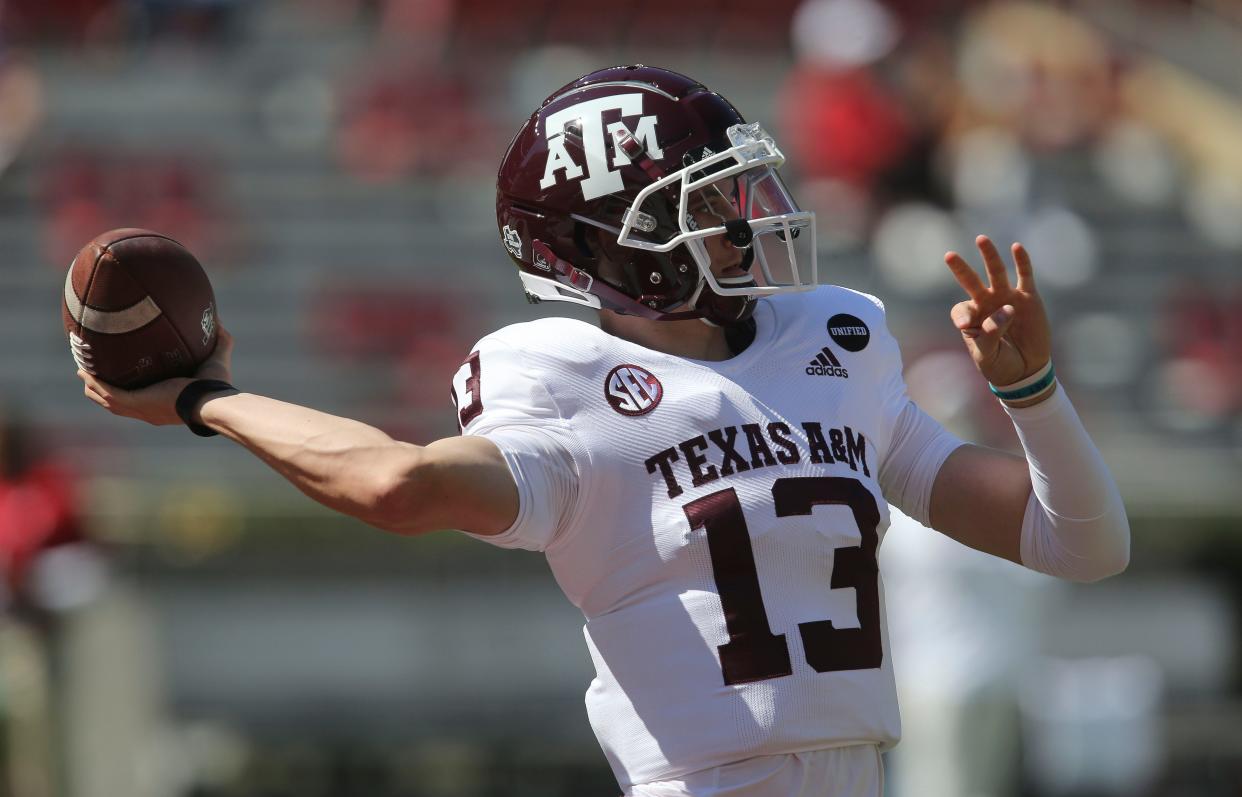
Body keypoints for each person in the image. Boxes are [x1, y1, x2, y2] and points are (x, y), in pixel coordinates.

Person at [77, 66, 1129, 797]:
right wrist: (203, 398)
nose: (750, 213)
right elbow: (397, 486)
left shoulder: (834, 341)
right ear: (622, 242)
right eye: (710, 199)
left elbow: (1080, 542)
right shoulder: (568, 380)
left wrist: (1031, 389)